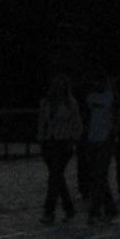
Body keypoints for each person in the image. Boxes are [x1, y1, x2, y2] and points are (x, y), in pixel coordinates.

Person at [36, 75, 82, 223]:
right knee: (57, 177)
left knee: (54, 177)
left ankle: (49, 211)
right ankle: (69, 208)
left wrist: (73, 140)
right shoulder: (46, 103)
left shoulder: (71, 104)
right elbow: (42, 122)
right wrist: (41, 138)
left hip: (64, 143)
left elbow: (77, 124)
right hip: (49, 142)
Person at [80, 72, 119, 223]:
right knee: (97, 175)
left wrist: (111, 136)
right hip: (91, 138)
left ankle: (94, 211)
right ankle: (110, 206)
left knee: (99, 175)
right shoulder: (88, 98)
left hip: (105, 139)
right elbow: (85, 118)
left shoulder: (113, 97)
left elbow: (116, 118)